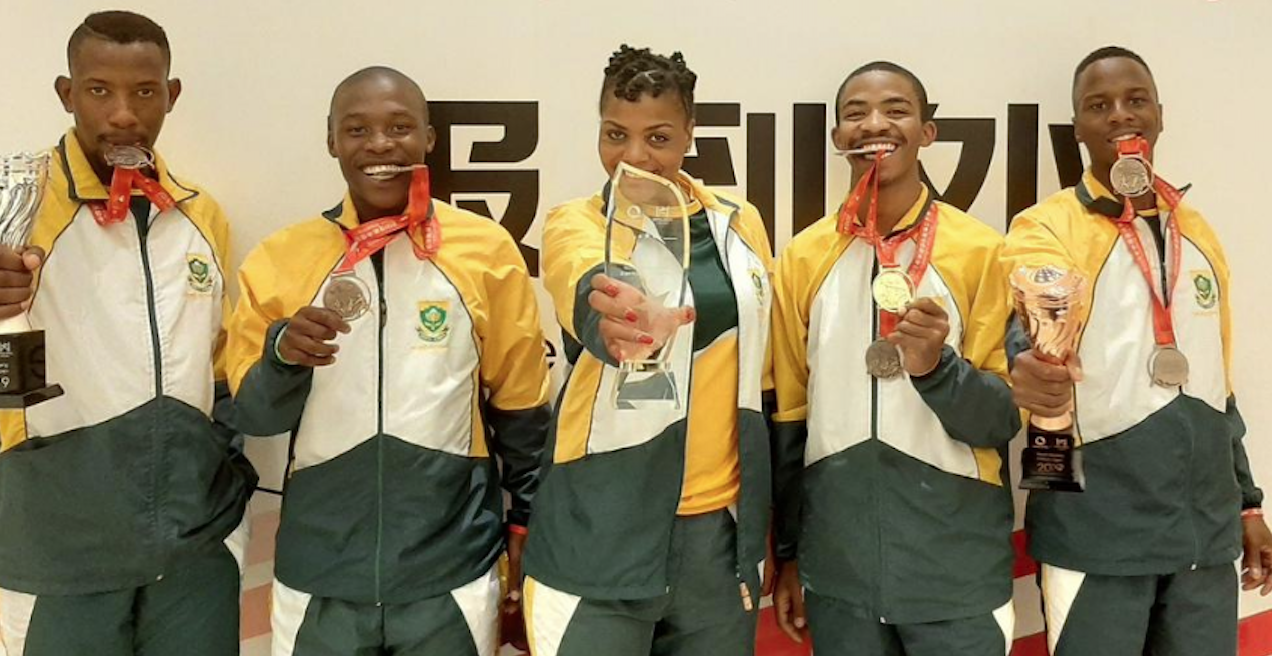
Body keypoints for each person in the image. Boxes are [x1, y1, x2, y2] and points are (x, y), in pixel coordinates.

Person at [0, 10, 256, 656]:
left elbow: (219, 369)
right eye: (99, 90)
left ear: (171, 96)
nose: (123, 114)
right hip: (59, 555)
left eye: (144, 91)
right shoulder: (6, 201)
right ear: (67, 94)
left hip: (195, 553)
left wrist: (222, 468)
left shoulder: (201, 215)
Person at [226, 66, 550, 656]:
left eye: (399, 127)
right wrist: (283, 355)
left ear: (429, 138)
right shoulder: (280, 258)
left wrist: (527, 519)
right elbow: (255, 416)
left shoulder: (484, 249)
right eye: (357, 129)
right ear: (331, 141)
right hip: (319, 574)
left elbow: (521, 406)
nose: (379, 145)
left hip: (450, 571)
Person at [1002, 45, 1272, 656]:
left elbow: (1217, 386)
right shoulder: (1045, 227)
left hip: (1204, 539)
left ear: (1159, 115)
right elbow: (1032, 319)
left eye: (1135, 100)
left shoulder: (1196, 230)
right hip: (1097, 536)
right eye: (1099, 105)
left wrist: (1247, 506)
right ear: (1077, 127)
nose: (1121, 114)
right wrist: (1032, 359)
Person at [522, 45, 774, 656]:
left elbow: (766, 375)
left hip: (720, 538)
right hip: (598, 529)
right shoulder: (576, 222)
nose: (634, 156)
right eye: (616, 134)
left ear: (690, 133)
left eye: (658, 137)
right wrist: (614, 316)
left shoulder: (739, 223)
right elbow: (586, 281)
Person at [770, 61, 1020, 656]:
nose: (874, 125)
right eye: (855, 114)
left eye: (896, 110)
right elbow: (789, 419)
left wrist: (938, 368)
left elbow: (1002, 420)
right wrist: (790, 555)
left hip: (957, 575)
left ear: (927, 132)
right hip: (839, 576)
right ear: (837, 137)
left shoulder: (983, 252)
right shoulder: (803, 258)